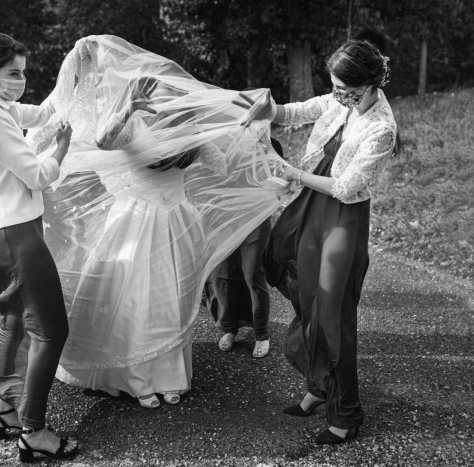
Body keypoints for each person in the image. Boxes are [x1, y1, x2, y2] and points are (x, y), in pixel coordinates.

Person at [25, 36, 293, 410]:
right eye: (157, 94)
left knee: (172, 300)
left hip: (177, 221)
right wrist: (128, 110)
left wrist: (243, 143)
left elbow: (222, 166)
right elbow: (103, 142)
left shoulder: (189, 134)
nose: (164, 101)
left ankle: (168, 377)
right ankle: (134, 378)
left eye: (169, 95)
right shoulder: (133, 125)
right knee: (134, 298)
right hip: (135, 220)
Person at [234, 39, 397, 444]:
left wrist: (293, 173)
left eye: (343, 88)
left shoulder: (381, 129)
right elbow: (296, 112)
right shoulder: (341, 99)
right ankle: (319, 382)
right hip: (309, 205)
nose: (337, 95)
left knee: (332, 314)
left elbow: (345, 187)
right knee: (287, 275)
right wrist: (266, 105)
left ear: (367, 84)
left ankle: (345, 414)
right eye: (334, 87)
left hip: (342, 217)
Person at [0, 33, 77, 462]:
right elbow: (36, 175)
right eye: (13, 73)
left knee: (15, 321)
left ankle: (6, 409)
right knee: (52, 330)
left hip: (0, 234)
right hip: (14, 236)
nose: (20, 81)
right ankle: (35, 432)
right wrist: (60, 150)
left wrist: (74, 71)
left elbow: (43, 111)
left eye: (23, 73)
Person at [205, 132, 284, 358]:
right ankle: (229, 328)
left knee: (252, 275)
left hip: (255, 220)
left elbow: (281, 180)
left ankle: (261, 333)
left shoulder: (273, 145)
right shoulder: (225, 145)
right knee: (222, 274)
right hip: (226, 218)